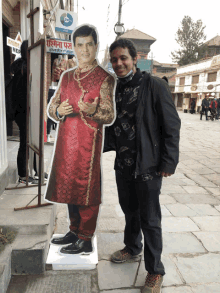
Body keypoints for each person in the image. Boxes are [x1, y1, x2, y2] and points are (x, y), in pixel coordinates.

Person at [104, 38, 180, 293]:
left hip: (148, 166)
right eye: (114, 59)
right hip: (123, 165)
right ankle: (132, 247)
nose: (119, 63)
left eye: (123, 58)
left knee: (150, 219)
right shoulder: (115, 89)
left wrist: (168, 162)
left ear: (135, 59)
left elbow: (171, 126)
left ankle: (155, 271)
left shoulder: (154, 85)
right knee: (129, 211)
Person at [45, 25, 116, 255]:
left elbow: (110, 114)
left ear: (96, 46)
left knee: (85, 189)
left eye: (89, 44)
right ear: (73, 47)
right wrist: (59, 110)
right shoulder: (66, 77)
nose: (84, 49)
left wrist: (95, 111)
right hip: (66, 142)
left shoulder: (105, 78)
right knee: (68, 187)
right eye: (80, 45)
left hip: (88, 144)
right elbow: (52, 106)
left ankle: (85, 237)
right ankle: (74, 230)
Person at [10, 40, 34, 184]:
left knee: (26, 142)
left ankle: (26, 172)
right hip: (23, 111)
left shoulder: (21, 66)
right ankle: (23, 175)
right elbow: (22, 93)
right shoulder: (24, 69)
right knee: (25, 142)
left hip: (21, 111)